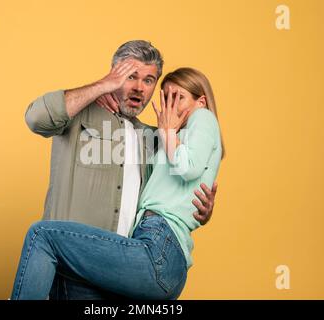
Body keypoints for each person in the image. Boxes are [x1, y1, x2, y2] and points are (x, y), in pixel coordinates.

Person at [22, 40, 217, 299]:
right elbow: (36, 118)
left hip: (121, 273)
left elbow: (179, 183)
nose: (139, 87)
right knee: (41, 236)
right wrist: (101, 87)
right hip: (74, 271)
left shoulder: (155, 139)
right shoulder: (81, 114)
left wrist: (203, 210)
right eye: (130, 76)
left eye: (148, 80)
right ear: (114, 75)